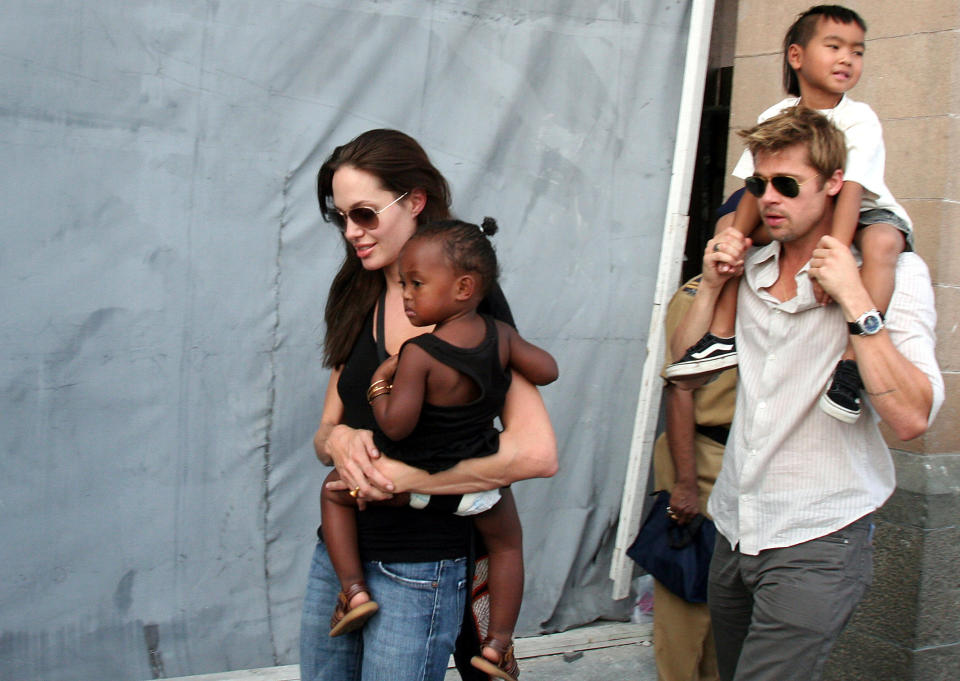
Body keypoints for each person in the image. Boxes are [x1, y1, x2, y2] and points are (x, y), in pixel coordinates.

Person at [669, 107, 943, 681]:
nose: (769, 198)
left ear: (834, 184)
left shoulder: (891, 274)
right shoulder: (751, 266)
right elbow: (686, 374)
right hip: (735, 530)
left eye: (787, 185)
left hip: (818, 542)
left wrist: (857, 305)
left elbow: (912, 417)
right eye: (758, 184)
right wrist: (712, 283)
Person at [300, 129, 558, 681]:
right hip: (340, 561)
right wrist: (340, 440)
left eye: (365, 214)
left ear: (414, 201)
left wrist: (405, 478)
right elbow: (326, 431)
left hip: (420, 567)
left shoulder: (474, 311)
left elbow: (536, 453)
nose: (351, 233)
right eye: (340, 217)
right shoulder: (355, 292)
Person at [667, 5, 913, 427]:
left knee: (883, 243)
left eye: (857, 52)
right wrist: (733, 242)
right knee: (732, 230)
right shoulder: (775, 116)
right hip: (804, 208)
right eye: (833, 47)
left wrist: (827, 261)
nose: (846, 59)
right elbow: (752, 187)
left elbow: (850, 194)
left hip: (864, 210)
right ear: (796, 56)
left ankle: (851, 364)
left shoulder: (858, 119)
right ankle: (722, 336)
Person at [653, 196, 740, 681]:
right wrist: (685, 483)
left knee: (725, 610)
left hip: (744, 463)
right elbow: (680, 387)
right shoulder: (699, 294)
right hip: (702, 461)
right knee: (687, 604)